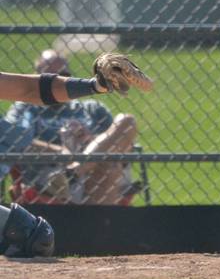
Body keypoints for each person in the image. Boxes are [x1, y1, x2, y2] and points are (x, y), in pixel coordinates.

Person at [4, 50, 139, 206]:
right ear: (38, 79)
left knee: (126, 122)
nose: (56, 80)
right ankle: (97, 225)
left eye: (63, 74)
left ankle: (75, 171)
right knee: (108, 164)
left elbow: (121, 144)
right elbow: (13, 141)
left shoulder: (92, 109)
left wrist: (89, 140)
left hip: (92, 171)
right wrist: (62, 152)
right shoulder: (26, 109)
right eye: (49, 76)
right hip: (51, 176)